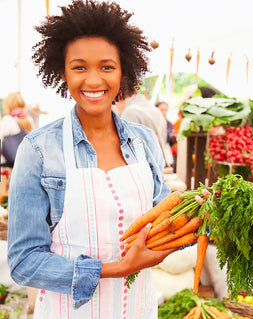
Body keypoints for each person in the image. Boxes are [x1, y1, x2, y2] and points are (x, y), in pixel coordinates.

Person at [7, 1, 203, 317]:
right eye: (80, 67)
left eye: (107, 67)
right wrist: (117, 268)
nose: (94, 80)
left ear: (124, 71)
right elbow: (23, 261)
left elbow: (165, 225)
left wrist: (202, 214)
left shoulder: (144, 141)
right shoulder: (40, 150)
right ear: (63, 72)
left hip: (138, 310)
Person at [119, 91, 174, 168]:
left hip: (142, 168)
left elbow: (128, 148)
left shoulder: (130, 112)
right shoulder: (155, 110)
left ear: (120, 97)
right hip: (158, 163)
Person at [0, 92, 34, 167]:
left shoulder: (8, 119)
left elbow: (1, 141)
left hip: (7, 163)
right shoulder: (28, 119)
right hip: (23, 162)